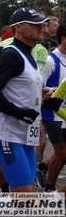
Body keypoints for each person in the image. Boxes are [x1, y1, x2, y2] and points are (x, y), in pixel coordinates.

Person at [0, 8, 49, 196]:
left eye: (42, 24)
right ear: (18, 27)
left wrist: (41, 93)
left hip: (26, 135)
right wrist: (18, 112)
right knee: (25, 194)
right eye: (35, 24)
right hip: (7, 135)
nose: (42, 28)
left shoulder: (31, 55)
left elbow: (18, 87)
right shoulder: (11, 54)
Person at [39, 24, 66, 192]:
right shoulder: (51, 60)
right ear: (64, 39)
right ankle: (49, 188)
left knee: (64, 155)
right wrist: (51, 93)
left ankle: (43, 167)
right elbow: (38, 86)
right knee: (62, 152)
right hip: (52, 113)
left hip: (64, 114)